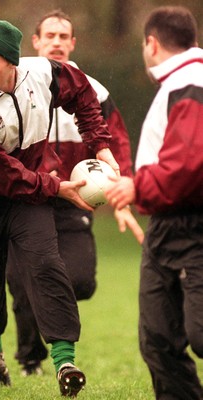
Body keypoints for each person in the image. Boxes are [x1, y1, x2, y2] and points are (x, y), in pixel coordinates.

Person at [0, 18, 122, 397]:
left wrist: (99, 143)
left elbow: (84, 94)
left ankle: (65, 362)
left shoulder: (45, 73)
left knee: (46, 264)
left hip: (29, 192)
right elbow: (2, 176)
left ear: (13, 62)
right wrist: (59, 187)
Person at [6, 9, 144, 377]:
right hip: (27, 199)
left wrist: (122, 193)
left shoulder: (94, 90)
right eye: (49, 35)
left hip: (76, 200)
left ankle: (52, 311)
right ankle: (31, 360)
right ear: (35, 42)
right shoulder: (12, 83)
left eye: (63, 37)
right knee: (22, 283)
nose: (56, 42)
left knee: (79, 280)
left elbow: (116, 143)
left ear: (73, 44)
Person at [105, 6, 203, 400]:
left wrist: (137, 188)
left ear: (151, 43)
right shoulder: (177, 83)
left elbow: (190, 161)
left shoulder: (191, 83)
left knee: (199, 333)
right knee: (158, 340)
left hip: (191, 224)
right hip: (165, 225)